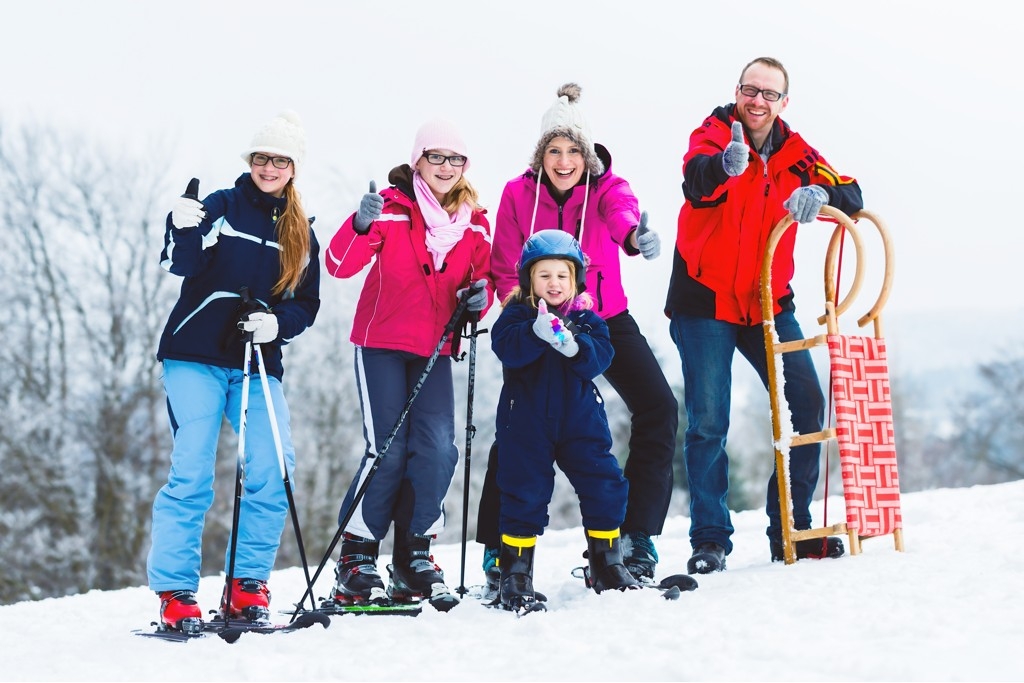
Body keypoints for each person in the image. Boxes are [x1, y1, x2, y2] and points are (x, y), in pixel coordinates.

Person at [666, 57, 864, 574]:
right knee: (709, 421)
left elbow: (851, 191)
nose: (758, 101)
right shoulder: (712, 134)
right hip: (705, 299)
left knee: (806, 403)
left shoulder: (798, 154)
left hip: (768, 301)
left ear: (783, 103)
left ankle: (790, 532)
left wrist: (821, 194)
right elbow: (695, 180)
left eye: (769, 94)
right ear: (737, 91)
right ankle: (710, 540)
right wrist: (724, 166)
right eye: (751, 90)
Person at [478, 83, 677, 594]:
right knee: (519, 422)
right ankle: (500, 550)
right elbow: (502, 264)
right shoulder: (518, 193)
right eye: (554, 150)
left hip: (599, 315)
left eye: (573, 151)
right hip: (535, 321)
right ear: (540, 154)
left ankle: (632, 538)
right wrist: (523, 314)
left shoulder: (607, 187)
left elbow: (622, 217)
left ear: (587, 156)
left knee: (658, 407)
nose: (564, 161)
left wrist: (635, 237)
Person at [148, 110, 321, 632]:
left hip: (256, 363)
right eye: (262, 158)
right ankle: (176, 591)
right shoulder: (221, 205)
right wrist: (180, 226)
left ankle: (247, 585)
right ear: (251, 161)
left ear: (294, 168)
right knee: (194, 468)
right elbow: (181, 264)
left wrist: (276, 324)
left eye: (280, 160)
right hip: (195, 356)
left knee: (272, 467)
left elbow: (305, 305)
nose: (269, 168)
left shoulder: (301, 233)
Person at [323, 119, 493, 609]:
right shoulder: (392, 211)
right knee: (388, 450)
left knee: (439, 449)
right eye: (435, 157)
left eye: (455, 159)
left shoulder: (476, 220)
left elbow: (482, 285)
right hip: (380, 344)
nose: (445, 167)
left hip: (435, 350)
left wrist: (480, 298)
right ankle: (357, 556)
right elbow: (339, 265)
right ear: (417, 161)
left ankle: (414, 554)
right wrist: (359, 224)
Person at [492, 229, 639, 611]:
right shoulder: (517, 315)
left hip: (581, 420)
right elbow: (505, 347)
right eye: (544, 275)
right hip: (525, 421)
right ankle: (516, 573)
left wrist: (574, 345)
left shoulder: (587, 318)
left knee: (604, 483)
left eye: (562, 276)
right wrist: (533, 332)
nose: (553, 284)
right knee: (523, 491)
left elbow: (601, 356)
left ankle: (608, 563)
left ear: (575, 280)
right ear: (529, 280)